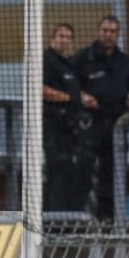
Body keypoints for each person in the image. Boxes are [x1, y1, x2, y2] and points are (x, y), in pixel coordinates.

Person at [73, 15, 129, 222]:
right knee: (83, 169)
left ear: (118, 34)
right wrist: (82, 97)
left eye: (112, 31)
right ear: (98, 31)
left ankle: (109, 218)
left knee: (112, 172)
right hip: (90, 123)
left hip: (116, 125)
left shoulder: (125, 62)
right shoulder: (83, 58)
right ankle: (81, 217)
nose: (108, 34)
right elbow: (71, 85)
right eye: (105, 30)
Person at [43, 23, 89, 212]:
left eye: (68, 37)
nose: (64, 40)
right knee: (57, 172)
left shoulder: (69, 63)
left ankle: (68, 218)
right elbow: (42, 90)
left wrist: (84, 98)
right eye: (60, 36)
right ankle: (53, 219)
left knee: (71, 173)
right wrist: (71, 98)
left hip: (70, 130)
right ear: (53, 38)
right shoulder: (47, 59)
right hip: (53, 126)